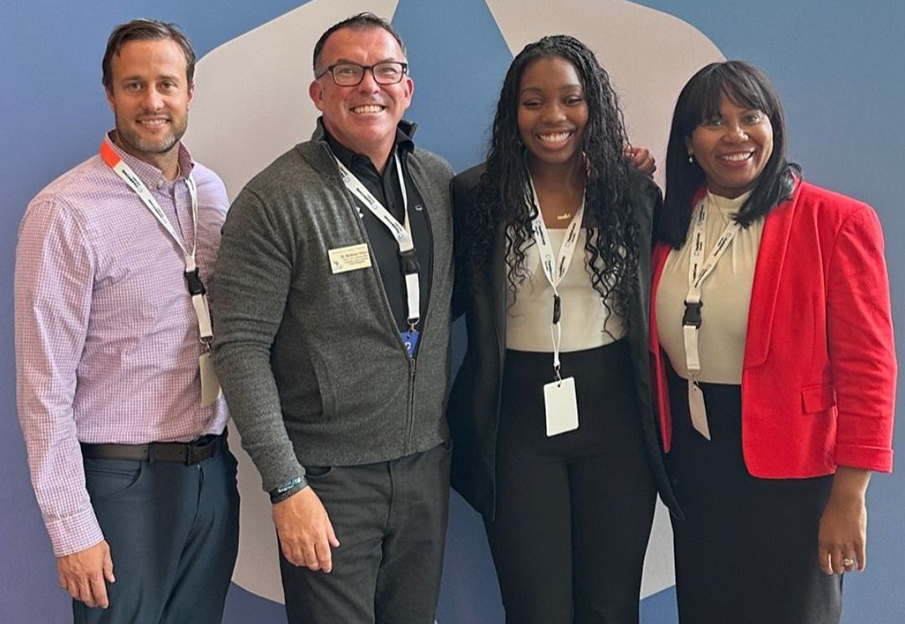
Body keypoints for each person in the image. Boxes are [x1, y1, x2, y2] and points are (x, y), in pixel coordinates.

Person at [210, 13, 454, 624]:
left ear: (408, 86)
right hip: (328, 481)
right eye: (346, 71)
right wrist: (287, 485)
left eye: (386, 69)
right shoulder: (275, 200)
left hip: (426, 467)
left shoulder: (439, 181)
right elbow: (238, 348)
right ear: (318, 92)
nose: (369, 85)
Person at [651, 60, 896, 623]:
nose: (735, 135)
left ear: (773, 127)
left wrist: (849, 496)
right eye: (714, 121)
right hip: (698, 468)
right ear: (689, 142)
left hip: (797, 475)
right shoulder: (669, 223)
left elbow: (870, 370)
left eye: (750, 116)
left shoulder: (835, 221)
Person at [447, 35, 681, 624]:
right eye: (534, 101)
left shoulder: (630, 191)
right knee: (536, 608)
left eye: (570, 99)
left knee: (609, 606)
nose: (553, 117)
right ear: (512, 113)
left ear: (592, 106)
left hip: (617, 420)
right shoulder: (475, 194)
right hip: (516, 420)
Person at [14, 19, 239, 624]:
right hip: (120, 483)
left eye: (167, 83)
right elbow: (44, 388)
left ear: (190, 91)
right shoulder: (65, 211)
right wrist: (71, 528)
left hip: (212, 472)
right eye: (134, 85)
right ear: (110, 94)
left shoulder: (211, 193)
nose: (153, 101)